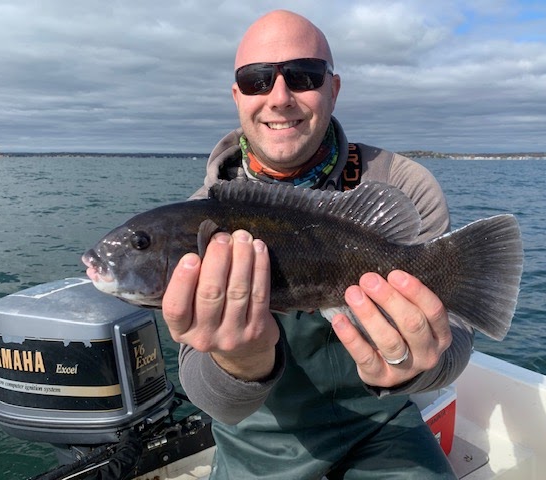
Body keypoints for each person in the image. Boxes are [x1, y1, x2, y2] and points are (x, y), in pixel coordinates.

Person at [161, 10, 473, 479]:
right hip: (256, 444)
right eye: (256, 80)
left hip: (383, 426)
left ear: (333, 88)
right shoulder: (196, 219)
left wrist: (415, 368)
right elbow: (215, 403)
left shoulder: (402, 184)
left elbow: (456, 340)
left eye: (303, 75)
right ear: (237, 96)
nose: (279, 97)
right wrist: (240, 361)